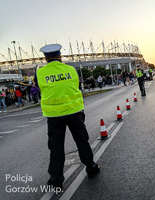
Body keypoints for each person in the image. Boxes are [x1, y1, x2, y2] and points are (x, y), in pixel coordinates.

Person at [36, 44, 100, 189]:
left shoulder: (39, 72)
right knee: (82, 141)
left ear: (45, 58)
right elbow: (76, 86)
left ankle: (56, 179)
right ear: (60, 56)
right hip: (74, 111)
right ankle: (91, 168)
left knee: (56, 147)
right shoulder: (71, 69)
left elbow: (40, 89)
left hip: (54, 115)